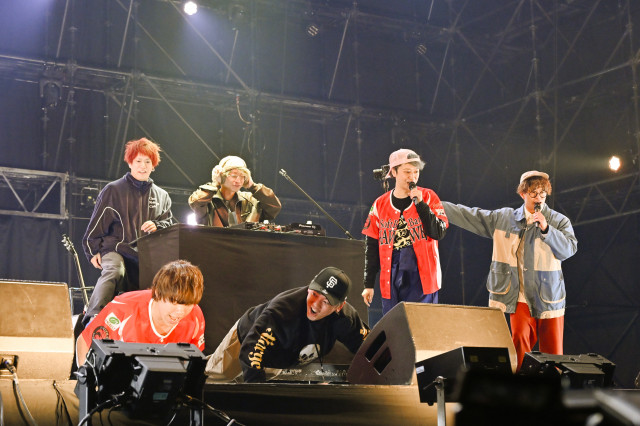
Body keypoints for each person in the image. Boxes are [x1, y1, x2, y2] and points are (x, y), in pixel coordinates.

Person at [442, 170, 578, 370]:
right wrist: (437, 205)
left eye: (542, 193)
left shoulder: (558, 220)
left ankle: (552, 386)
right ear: (523, 193)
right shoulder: (504, 218)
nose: (539, 198)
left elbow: (569, 249)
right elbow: (471, 215)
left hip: (549, 295)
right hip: (519, 295)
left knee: (553, 352)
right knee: (519, 339)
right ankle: (519, 384)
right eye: (533, 193)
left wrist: (547, 229)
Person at [205, 266, 370, 383]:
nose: (315, 305)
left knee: (245, 384)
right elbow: (251, 349)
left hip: (278, 356)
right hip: (247, 340)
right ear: (309, 288)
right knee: (214, 377)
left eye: (326, 301)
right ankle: (193, 367)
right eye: (314, 294)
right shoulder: (284, 309)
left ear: (339, 307)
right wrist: (256, 396)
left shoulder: (346, 320)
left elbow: (369, 348)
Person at [82, 137, 174, 323]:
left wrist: (158, 225)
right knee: (115, 271)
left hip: (146, 256)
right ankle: (93, 318)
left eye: (147, 161)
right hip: (116, 249)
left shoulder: (162, 195)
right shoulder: (113, 190)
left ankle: (155, 324)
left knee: (165, 280)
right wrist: (92, 251)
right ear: (130, 162)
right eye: (138, 161)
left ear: (153, 165)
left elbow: (170, 224)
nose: (143, 166)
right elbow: (96, 224)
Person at [361, 148, 449, 316]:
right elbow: (371, 245)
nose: (412, 177)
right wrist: (368, 284)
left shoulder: (429, 196)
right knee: (394, 323)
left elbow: (438, 232)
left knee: (421, 322)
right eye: (407, 172)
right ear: (394, 172)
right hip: (391, 271)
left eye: (416, 172)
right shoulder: (380, 204)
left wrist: (421, 205)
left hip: (421, 272)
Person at [76, 259, 205, 366]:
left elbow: (191, 361)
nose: (180, 311)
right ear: (158, 293)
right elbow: (84, 341)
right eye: (174, 302)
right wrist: (87, 385)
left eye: (188, 304)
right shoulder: (123, 308)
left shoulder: (196, 315)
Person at [188, 155, 281, 227]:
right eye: (234, 176)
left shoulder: (250, 200)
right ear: (222, 176)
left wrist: (253, 187)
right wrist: (215, 183)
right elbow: (196, 202)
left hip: (245, 246)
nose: (238, 180)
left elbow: (274, 207)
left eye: (242, 176)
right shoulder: (208, 200)